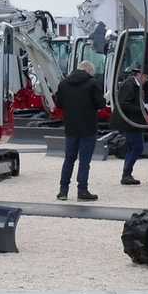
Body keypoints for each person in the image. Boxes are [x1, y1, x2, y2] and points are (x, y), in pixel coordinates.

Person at [53, 60, 104, 201]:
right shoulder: (93, 83)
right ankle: (82, 191)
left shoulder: (63, 84)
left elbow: (59, 103)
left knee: (69, 159)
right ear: (88, 71)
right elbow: (100, 104)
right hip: (88, 128)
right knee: (84, 161)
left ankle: (63, 191)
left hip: (71, 128)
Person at [113, 66, 148, 185]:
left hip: (132, 122)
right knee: (137, 147)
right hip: (130, 122)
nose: (146, 80)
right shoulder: (130, 85)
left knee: (132, 147)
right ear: (139, 75)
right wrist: (142, 109)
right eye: (146, 77)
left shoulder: (132, 84)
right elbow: (123, 104)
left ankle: (127, 174)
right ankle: (126, 174)